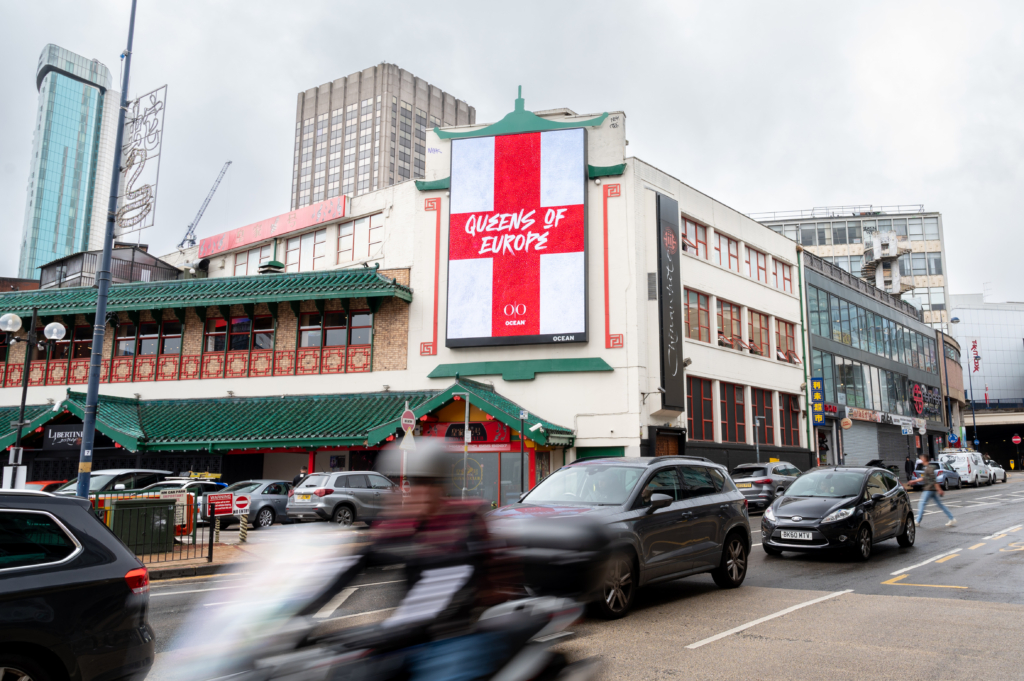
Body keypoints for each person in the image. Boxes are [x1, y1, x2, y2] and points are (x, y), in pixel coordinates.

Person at [905, 453, 956, 527]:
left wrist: (939, 490)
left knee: (921, 503)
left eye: (921, 458)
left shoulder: (929, 468)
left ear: (925, 459)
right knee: (940, 505)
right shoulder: (927, 468)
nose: (921, 459)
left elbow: (934, 480)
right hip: (931, 490)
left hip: (929, 489)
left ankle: (918, 521)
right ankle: (951, 518)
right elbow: (924, 478)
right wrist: (914, 481)